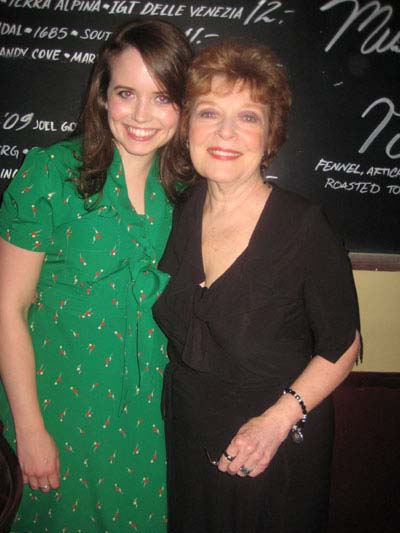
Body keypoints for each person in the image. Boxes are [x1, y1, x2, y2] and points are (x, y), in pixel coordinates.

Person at [153, 40, 361, 533]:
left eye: (248, 117)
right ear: (187, 131)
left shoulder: (304, 225)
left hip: (272, 443)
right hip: (188, 434)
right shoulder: (181, 211)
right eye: (209, 113)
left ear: (270, 137)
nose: (226, 132)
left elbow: (343, 344)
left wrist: (275, 423)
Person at [0, 19, 192, 531]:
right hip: (59, 411)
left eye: (163, 97)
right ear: (103, 96)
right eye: (127, 92)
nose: (142, 115)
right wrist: (30, 429)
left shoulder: (189, 193)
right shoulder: (50, 175)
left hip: (150, 419)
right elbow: (8, 308)